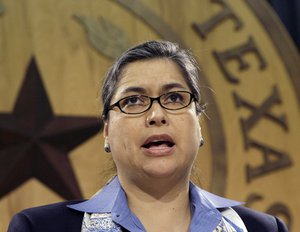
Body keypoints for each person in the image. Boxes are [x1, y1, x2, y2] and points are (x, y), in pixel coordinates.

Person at [8, 40, 288, 232]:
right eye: (133, 101)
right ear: (107, 131)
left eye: (175, 97)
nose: (156, 115)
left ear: (199, 124)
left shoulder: (262, 229)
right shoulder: (40, 227)